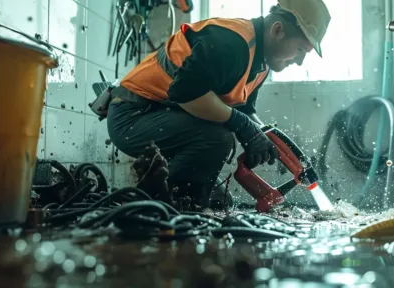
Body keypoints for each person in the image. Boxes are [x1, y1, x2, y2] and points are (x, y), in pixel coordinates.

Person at [105, 0, 331, 210]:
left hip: (163, 116)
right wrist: (243, 126)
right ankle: (148, 209)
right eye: (301, 50)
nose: (301, 61)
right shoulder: (231, 43)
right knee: (216, 139)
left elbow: (244, 110)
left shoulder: (261, 64)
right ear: (277, 30)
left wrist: (266, 140)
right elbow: (185, 93)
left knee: (218, 201)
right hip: (133, 116)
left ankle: (168, 208)